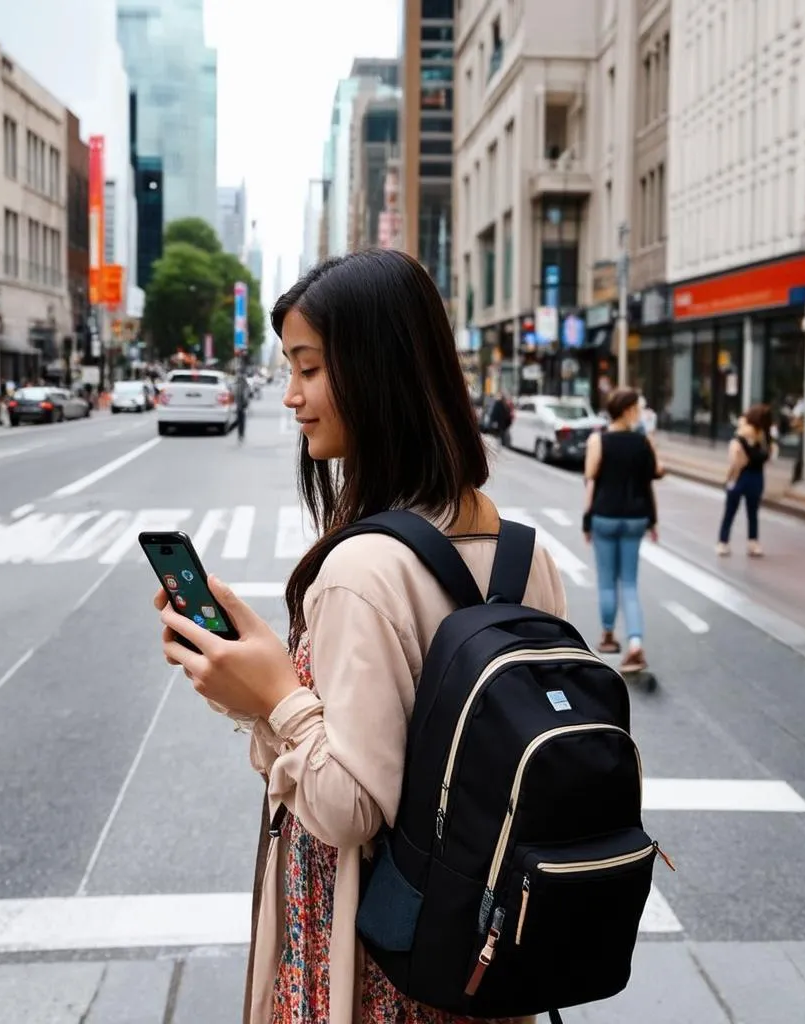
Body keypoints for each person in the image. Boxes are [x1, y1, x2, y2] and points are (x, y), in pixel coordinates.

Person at [153, 250, 565, 1024]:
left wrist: (274, 696)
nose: (291, 397)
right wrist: (267, 686)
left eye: (308, 369)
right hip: (479, 961)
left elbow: (348, 810)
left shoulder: (361, 570)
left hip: (373, 971)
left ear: (378, 373)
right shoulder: (523, 548)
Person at [582, 387, 661, 674]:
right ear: (628, 410)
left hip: (604, 514)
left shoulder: (598, 441)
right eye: (637, 408)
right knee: (629, 582)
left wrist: (586, 521)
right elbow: (652, 478)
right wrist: (653, 520)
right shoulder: (643, 442)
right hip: (636, 517)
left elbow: (590, 481)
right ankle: (636, 644)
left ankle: (607, 636)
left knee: (606, 580)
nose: (640, 412)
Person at [717, 404, 773, 557]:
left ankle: (724, 542)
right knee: (748, 511)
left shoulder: (748, 435)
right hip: (750, 475)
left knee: (733, 510)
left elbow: (737, 459)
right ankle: (750, 542)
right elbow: (765, 456)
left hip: (743, 474)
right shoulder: (754, 436)